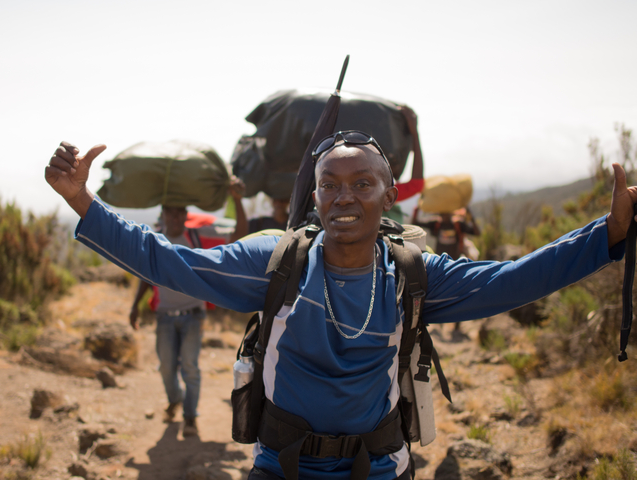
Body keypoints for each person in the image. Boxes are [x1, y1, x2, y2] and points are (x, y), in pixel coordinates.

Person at [46, 135, 635, 480]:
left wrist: (605, 235)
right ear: (316, 194)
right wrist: (84, 203)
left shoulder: (411, 276)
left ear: (389, 195)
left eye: (362, 183)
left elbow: (511, 280)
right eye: (330, 184)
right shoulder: (275, 263)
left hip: (377, 468)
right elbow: (168, 262)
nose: (344, 196)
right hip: (280, 466)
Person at [127, 205, 206, 437]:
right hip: (165, 316)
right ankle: (175, 400)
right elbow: (145, 275)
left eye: (180, 211)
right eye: (170, 212)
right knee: (166, 367)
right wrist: (134, 306)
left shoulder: (194, 238)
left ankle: (190, 417)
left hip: (193, 314)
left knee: (190, 367)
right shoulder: (155, 240)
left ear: (185, 215)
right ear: (163, 214)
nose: (175, 216)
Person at [383, 106, 424, 223]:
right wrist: (414, 134)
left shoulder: (378, 190)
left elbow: (416, 184)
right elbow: (416, 184)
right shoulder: (383, 193)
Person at [229, 176, 289, 242]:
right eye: (276, 199)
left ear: (289, 200)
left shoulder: (295, 224)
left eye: (283, 200)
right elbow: (240, 236)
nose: (279, 203)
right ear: (272, 200)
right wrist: (237, 199)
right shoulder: (258, 223)